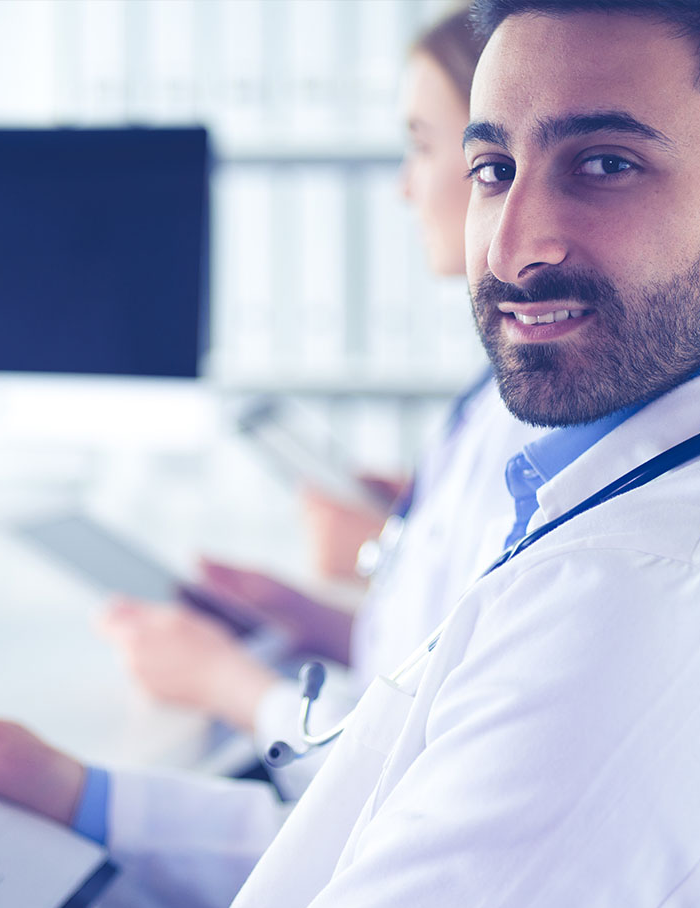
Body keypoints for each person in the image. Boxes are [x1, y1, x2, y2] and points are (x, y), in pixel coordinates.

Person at [0, 0, 700, 908]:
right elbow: (392, 846)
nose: (512, 244)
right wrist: (89, 800)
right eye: (493, 170)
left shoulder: (655, 594)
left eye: (606, 165)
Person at [98, 8, 541, 784]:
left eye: (427, 146)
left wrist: (222, 680)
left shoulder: (536, 423)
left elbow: (402, 766)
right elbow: (420, 658)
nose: (404, 187)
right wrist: (296, 612)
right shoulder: (495, 394)